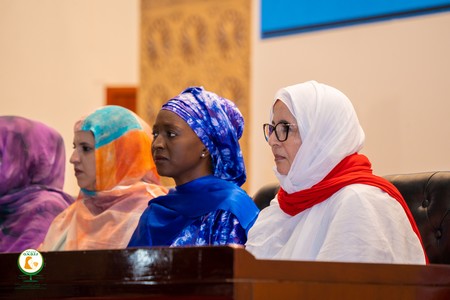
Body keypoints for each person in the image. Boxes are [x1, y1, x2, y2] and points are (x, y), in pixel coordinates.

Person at [245, 80, 428, 264]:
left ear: (321, 136)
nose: (273, 141)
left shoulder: (359, 202)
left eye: (285, 128)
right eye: (272, 128)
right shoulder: (283, 204)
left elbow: (347, 290)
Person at [128, 86, 259, 247]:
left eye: (171, 134)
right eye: (155, 134)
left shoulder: (230, 209)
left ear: (206, 145)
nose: (157, 144)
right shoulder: (156, 211)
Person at [39, 105, 167, 251]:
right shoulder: (68, 219)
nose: (73, 159)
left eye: (86, 149)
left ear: (119, 154)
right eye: (75, 147)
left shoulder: (155, 211)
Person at [0, 116, 73, 253]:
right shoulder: (7, 205)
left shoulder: (44, 209)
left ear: (30, 159)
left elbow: (26, 271)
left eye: (1, 157)